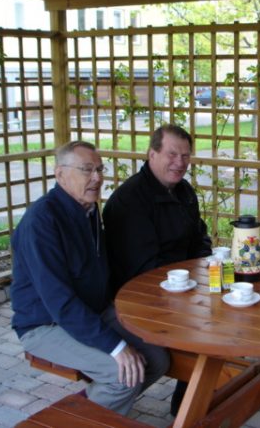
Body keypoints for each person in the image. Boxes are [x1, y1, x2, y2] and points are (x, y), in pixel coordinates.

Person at [11, 141, 169, 416]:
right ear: (60, 174)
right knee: (121, 374)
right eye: (87, 170)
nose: (97, 178)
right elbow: (59, 303)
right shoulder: (42, 222)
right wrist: (116, 346)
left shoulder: (88, 209)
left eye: (100, 169)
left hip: (90, 311)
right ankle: (83, 417)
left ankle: (94, 405)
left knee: (157, 359)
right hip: (44, 323)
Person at [103, 123, 212, 415]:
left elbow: (200, 238)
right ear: (152, 154)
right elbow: (142, 269)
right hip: (140, 297)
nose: (180, 162)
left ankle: (190, 402)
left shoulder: (183, 191)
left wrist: (204, 269)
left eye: (185, 156)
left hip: (183, 287)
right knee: (209, 326)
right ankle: (190, 407)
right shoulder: (130, 200)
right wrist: (192, 284)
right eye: (172, 154)